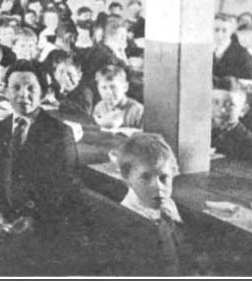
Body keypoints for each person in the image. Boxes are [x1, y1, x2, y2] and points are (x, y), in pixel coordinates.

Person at [0, 60, 83, 276]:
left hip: (43, 223)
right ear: (5, 91)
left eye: (31, 88)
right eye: (15, 87)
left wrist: (34, 217)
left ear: (43, 93)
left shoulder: (59, 133)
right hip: (4, 220)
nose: (23, 95)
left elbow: (64, 186)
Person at [115, 133, 186, 275]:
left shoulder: (167, 204)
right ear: (127, 177)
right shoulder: (133, 220)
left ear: (173, 174)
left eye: (164, 177)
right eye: (145, 177)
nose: (158, 187)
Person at [210, 87, 252, 165]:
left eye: (230, 105)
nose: (221, 110)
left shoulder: (250, 146)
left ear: (243, 110)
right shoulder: (202, 131)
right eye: (215, 102)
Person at [80, 16, 129, 99]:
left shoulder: (104, 49)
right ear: (112, 35)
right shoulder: (105, 55)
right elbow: (125, 75)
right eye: (122, 36)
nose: (124, 40)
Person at [47, 50, 93, 125]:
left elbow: (84, 112)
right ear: (55, 74)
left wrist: (59, 103)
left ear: (79, 76)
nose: (65, 78)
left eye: (70, 74)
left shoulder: (85, 91)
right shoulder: (53, 88)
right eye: (61, 72)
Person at [213, 13, 252, 88]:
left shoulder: (243, 55)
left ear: (231, 31)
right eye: (216, 30)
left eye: (224, 30)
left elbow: (247, 86)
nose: (219, 34)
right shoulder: (205, 52)